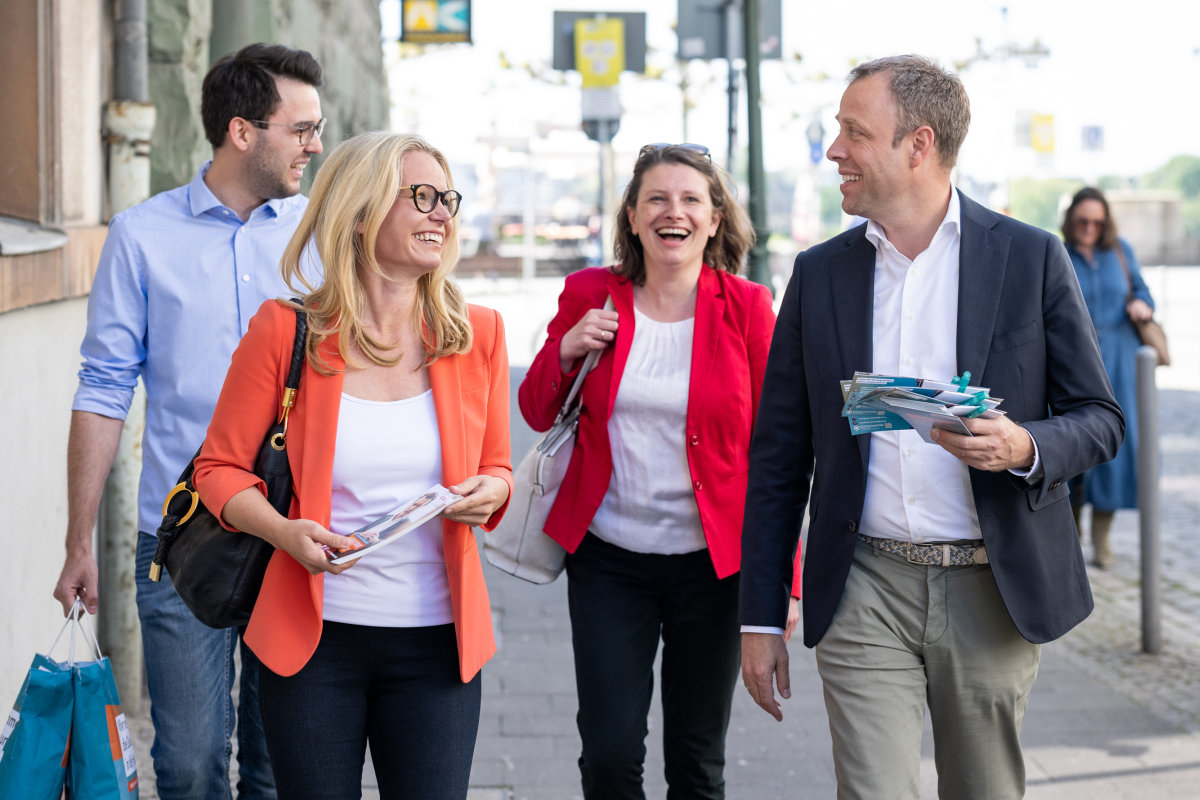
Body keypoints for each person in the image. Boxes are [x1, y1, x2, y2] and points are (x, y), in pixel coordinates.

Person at [738, 55, 1124, 799]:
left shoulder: (1031, 257)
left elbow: (1100, 420)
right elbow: (781, 453)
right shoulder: (819, 274)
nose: (835, 151)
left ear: (918, 145)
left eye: (855, 132)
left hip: (993, 587)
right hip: (863, 584)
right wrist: (760, 615)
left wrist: (1024, 445)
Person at [193, 131, 512, 799]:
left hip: (438, 642)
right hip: (314, 644)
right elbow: (217, 470)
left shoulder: (476, 333)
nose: (441, 213)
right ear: (360, 212)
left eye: (447, 198)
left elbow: (497, 467)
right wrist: (284, 532)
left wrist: (493, 490)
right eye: (420, 196)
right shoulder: (285, 330)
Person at [52, 43, 326, 799]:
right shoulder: (141, 235)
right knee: (191, 764)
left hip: (294, 534)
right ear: (243, 132)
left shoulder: (323, 235)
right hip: (181, 537)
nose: (315, 145)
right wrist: (79, 541)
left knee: (279, 768)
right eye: (301, 129)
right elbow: (104, 389)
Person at [518, 142, 801, 799]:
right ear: (633, 215)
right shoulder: (591, 294)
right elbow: (535, 410)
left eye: (690, 199)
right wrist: (566, 350)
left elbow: (780, 453)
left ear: (714, 218)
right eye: (657, 199)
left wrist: (783, 582)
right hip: (609, 560)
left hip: (713, 568)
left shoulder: (748, 307)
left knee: (697, 761)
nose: (674, 212)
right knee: (610, 755)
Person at [1062, 187, 1156, 568]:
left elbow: (1144, 291)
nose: (1090, 228)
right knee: (1072, 443)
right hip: (1074, 359)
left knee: (1114, 447)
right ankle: (1070, 536)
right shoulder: (1058, 254)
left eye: (1098, 222)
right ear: (1071, 220)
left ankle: (1102, 537)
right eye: (1083, 221)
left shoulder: (1121, 251)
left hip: (1119, 359)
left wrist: (1143, 304)